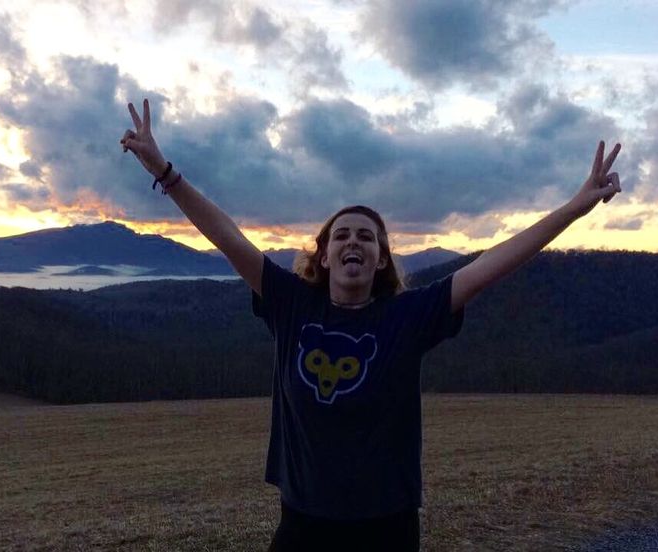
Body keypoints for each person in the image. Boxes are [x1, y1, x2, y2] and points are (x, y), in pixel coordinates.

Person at [120, 98, 622, 551]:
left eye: (367, 236)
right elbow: (227, 236)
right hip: (302, 524)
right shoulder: (292, 305)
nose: (353, 242)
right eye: (341, 236)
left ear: (381, 259)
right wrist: (164, 171)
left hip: (386, 527)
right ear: (324, 255)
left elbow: (495, 262)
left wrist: (574, 209)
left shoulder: (408, 316)